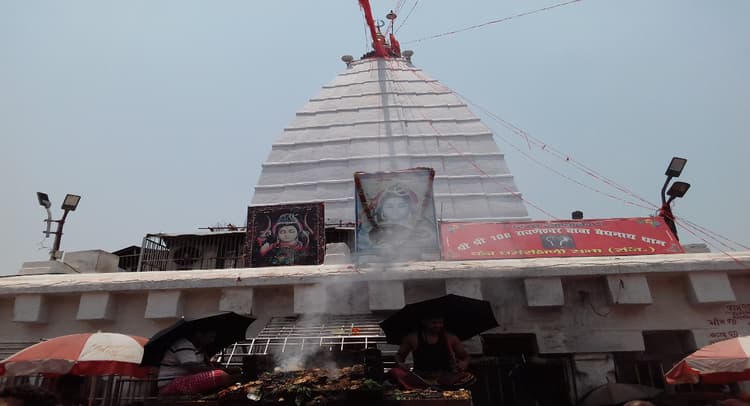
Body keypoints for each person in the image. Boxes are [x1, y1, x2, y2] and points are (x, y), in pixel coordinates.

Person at [389, 315, 475, 390]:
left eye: (440, 322)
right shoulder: (412, 337)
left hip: (445, 378)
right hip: (420, 378)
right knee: (394, 372)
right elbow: (399, 356)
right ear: (424, 322)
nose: (438, 325)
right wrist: (400, 364)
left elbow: (465, 356)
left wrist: (464, 363)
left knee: (468, 377)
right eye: (434, 323)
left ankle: (438, 386)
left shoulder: (450, 337)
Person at [158, 328, 235, 396]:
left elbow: (203, 366)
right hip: (170, 384)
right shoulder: (183, 344)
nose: (212, 340)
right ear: (199, 334)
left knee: (229, 375)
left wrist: (216, 366)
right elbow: (193, 367)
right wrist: (224, 370)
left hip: (186, 379)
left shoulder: (199, 348)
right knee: (219, 375)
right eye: (210, 337)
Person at [367, 184, 437, 250]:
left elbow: (430, 244)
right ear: (381, 210)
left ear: (410, 208)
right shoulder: (370, 230)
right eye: (389, 206)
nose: (395, 210)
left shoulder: (424, 229)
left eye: (401, 206)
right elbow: (366, 246)